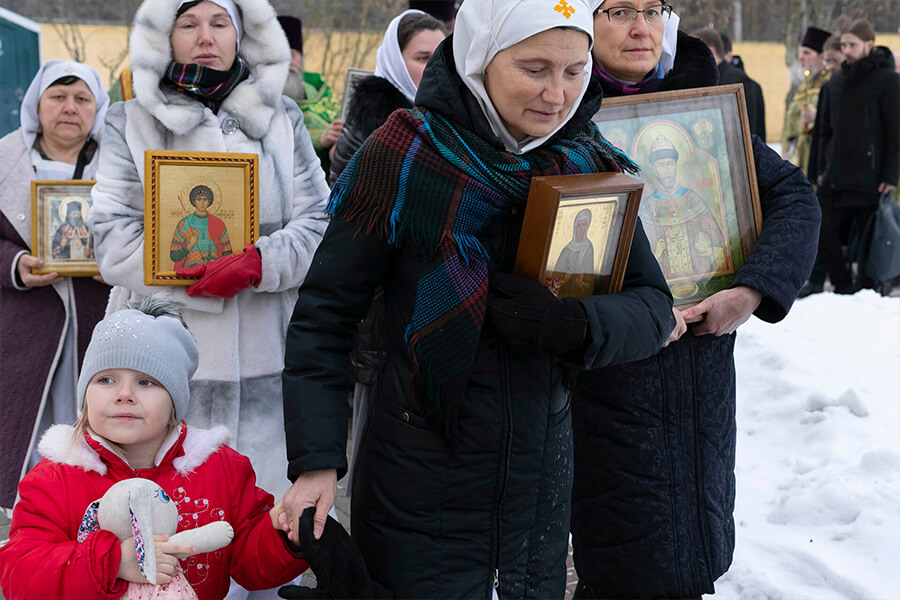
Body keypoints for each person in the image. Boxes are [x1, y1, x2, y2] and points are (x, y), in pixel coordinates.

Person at [280, 0, 676, 597]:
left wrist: (574, 324)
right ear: (479, 58)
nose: (557, 94)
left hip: (538, 485)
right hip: (419, 480)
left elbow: (653, 305)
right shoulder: (404, 159)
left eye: (575, 71)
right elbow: (324, 318)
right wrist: (316, 459)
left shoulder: (588, 166)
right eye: (535, 69)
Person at [571, 2, 822, 598]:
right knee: (622, 552)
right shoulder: (555, 116)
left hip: (699, 369)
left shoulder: (701, 109)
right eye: (618, 11)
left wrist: (752, 288)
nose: (641, 28)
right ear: (581, 21)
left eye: (653, 11)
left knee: (696, 534)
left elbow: (793, 195)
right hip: (606, 371)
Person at [89, 0, 330, 503]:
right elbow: (110, 237)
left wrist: (260, 263)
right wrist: (191, 274)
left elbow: (321, 224)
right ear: (165, 36)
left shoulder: (282, 119)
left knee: (261, 525)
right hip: (163, 357)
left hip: (270, 359)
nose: (206, 36)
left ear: (241, 35)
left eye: (220, 23)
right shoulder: (130, 121)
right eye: (189, 24)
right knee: (168, 532)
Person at [0, 296, 310, 599]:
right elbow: (20, 577)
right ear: (85, 395)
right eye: (106, 379)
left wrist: (282, 535)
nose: (124, 394)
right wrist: (110, 562)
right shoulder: (54, 479)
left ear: (175, 402)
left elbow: (250, 565)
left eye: (146, 382)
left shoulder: (221, 469)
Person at [0, 60, 111, 512]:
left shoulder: (122, 165)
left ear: (97, 108)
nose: (69, 108)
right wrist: (16, 263)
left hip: (96, 320)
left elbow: (146, 235)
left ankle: (88, 512)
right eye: (57, 97)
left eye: (82, 99)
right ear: (36, 104)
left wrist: (118, 261)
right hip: (25, 328)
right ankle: (29, 520)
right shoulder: (5, 160)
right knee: (24, 424)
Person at [815, 18, 899, 295]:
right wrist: (820, 168)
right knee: (820, 226)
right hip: (836, 175)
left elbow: (895, 132)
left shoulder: (888, 81)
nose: (847, 49)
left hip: (870, 176)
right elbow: (824, 130)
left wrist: (890, 175)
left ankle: (868, 290)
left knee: (868, 240)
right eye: (844, 44)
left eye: (852, 44)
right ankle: (842, 284)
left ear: (869, 45)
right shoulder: (836, 81)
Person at [329, 9, 446, 183]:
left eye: (441, 57)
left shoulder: (455, 113)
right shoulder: (369, 122)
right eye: (423, 58)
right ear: (395, 62)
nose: (435, 67)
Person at [642, 131, 728, 279]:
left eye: (670, 163)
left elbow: (720, 248)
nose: (667, 170)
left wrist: (710, 251)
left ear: (676, 165)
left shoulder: (694, 200)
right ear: (654, 169)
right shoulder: (647, 209)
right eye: (661, 165)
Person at [277, 15, 343, 175]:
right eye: (281, 55)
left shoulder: (322, 93)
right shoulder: (258, 97)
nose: (288, 62)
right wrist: (318, 142)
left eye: (292, 55)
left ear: (302, 59)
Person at [693, 27, 767, 141]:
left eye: (693, 51)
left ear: (711, 51)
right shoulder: (709, 80)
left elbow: (751, 134)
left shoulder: (736, 84)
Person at [781, 26, 831, 176]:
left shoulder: (830, 83)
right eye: (800, 52)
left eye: (807, 53)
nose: (801, 57)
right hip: (798, 162)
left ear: (822, 56)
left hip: (819, 162)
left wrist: (817, 116)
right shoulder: (803, 86)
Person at [170, 184, 233, 269]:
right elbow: (174, 256)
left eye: (205, 199)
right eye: (199, 199)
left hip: (213, 269)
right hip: (190, 269)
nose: (202, 203)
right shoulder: (184, 224)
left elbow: (228, 252)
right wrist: (190, 246)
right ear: (194, 201)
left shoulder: (218, 224)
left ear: (209, 201)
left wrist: (219, 262)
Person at [555, 208, 595, 299]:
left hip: (579, 297)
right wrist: (564, 280)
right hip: (562, 296)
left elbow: (590, 282)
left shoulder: (588, 248)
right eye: (578, 225)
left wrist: (581, 283)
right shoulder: (567, 249)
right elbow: (554, 279)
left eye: (583, 225)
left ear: (587, 226)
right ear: (574, 227)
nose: (581, 229)